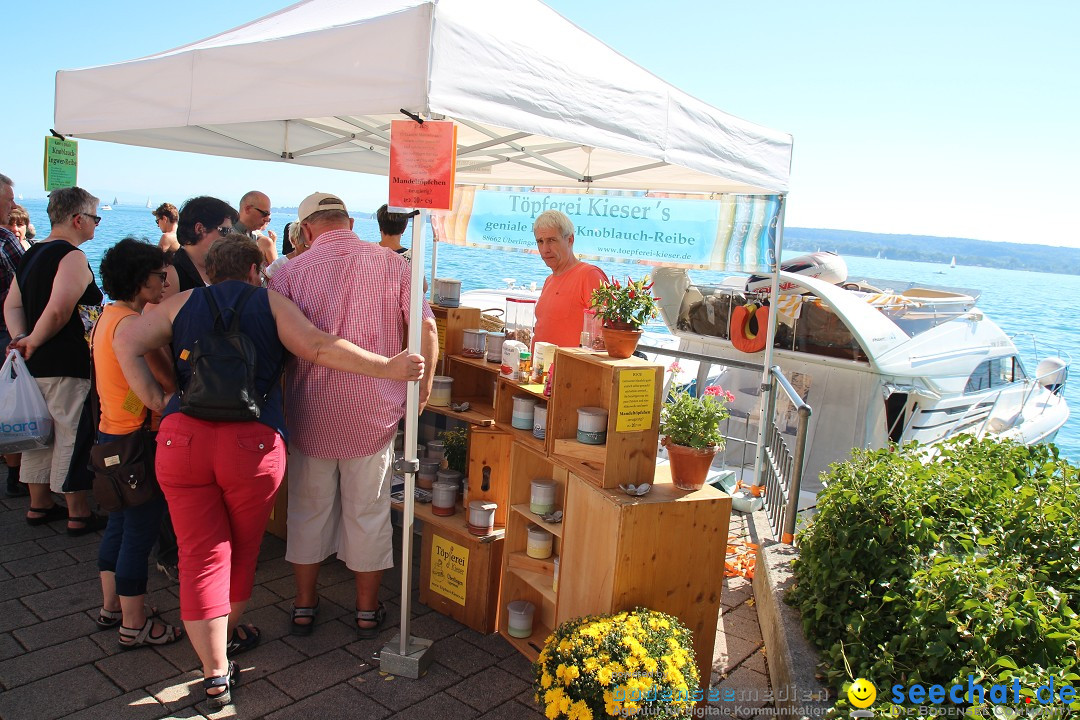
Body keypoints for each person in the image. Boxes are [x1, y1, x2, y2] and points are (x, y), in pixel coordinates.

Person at [115, 234, 424, 708]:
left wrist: (159, 398)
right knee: (239, 552)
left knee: (199, 556)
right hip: (250, 446)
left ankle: (215, 669)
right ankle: (230, 634)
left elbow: (126, 339)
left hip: (183, 442)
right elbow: (320, 348)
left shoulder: (181, 304)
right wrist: (388, 368)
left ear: (210, 272)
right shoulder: (272, 305)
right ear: (257, 270)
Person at [269, 192, 438, 639]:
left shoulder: (287, 273)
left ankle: (304, 605)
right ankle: (365, 609)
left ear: (305, 230)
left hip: (309, 411)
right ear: (349, 222)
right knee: (368, 511)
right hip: (374, 412)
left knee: (307, 511)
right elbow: (427, 329)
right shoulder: (394, 264)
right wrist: (418, 396)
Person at [92, 238, 183, 649]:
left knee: (119, 522)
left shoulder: (106, 318)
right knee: (140, 530)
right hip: (138, 439)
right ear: (138, 277)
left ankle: (112, 606)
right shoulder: (133, 326)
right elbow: (152, 391)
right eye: (159, 275)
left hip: (110, 432)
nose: (165, 282)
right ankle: (134, 622)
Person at [3, 186, 104, 533]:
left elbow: (12, 304)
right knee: (70, 432)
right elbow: (60, 309)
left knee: (39, 432)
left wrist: (22, 339)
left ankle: (39, 503)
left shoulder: (31, 254)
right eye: (95, 217)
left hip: (34, 362)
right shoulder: (72, 256)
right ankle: (77, 511)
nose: (97, 224)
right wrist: (34, 339)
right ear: (78, 219)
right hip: (65, 358)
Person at [531, 209, 607, 347]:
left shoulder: (589, 275)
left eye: (551, 240)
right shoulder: (549, 280)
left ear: (570, 240)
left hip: (570, 367)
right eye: (540, 241)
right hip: (540, 367)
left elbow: (604, 337)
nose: (545, 249)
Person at [0, 174, 27, 497]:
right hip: (6, 331)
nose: (12, 205)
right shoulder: (6, 240)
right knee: (10, 402)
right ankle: (14, 473)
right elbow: (27, 288)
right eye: (8, 200)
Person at [162, 196, 237, 298]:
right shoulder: (171, 273)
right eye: (224, 231)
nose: (230, 237)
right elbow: (154, 313)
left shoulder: (223, 268)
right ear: (200, 229)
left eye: (231, 231)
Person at [233, 190, 277, 266]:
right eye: (264, 214)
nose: (267, 219)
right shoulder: (227, 236)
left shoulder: (252, 236)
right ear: (248, 209)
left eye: (268, 215)